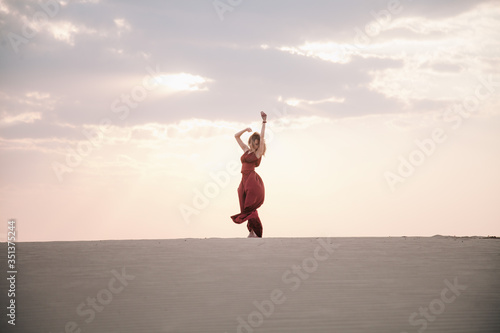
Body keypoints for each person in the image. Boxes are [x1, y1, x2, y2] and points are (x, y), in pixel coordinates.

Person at [231, 111, 267, 238]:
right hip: (243, 179)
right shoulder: (246, 150)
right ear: (251, 141)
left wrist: (264, 121)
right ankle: (252, 231)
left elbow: (262, 138)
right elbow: (236, 136)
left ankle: (256, 232)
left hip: (252, 180)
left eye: (258, 144)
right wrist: (245, 129)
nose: (257, 145)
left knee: (249, 207)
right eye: (255, 143)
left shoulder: (257, 154)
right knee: (244, 207)